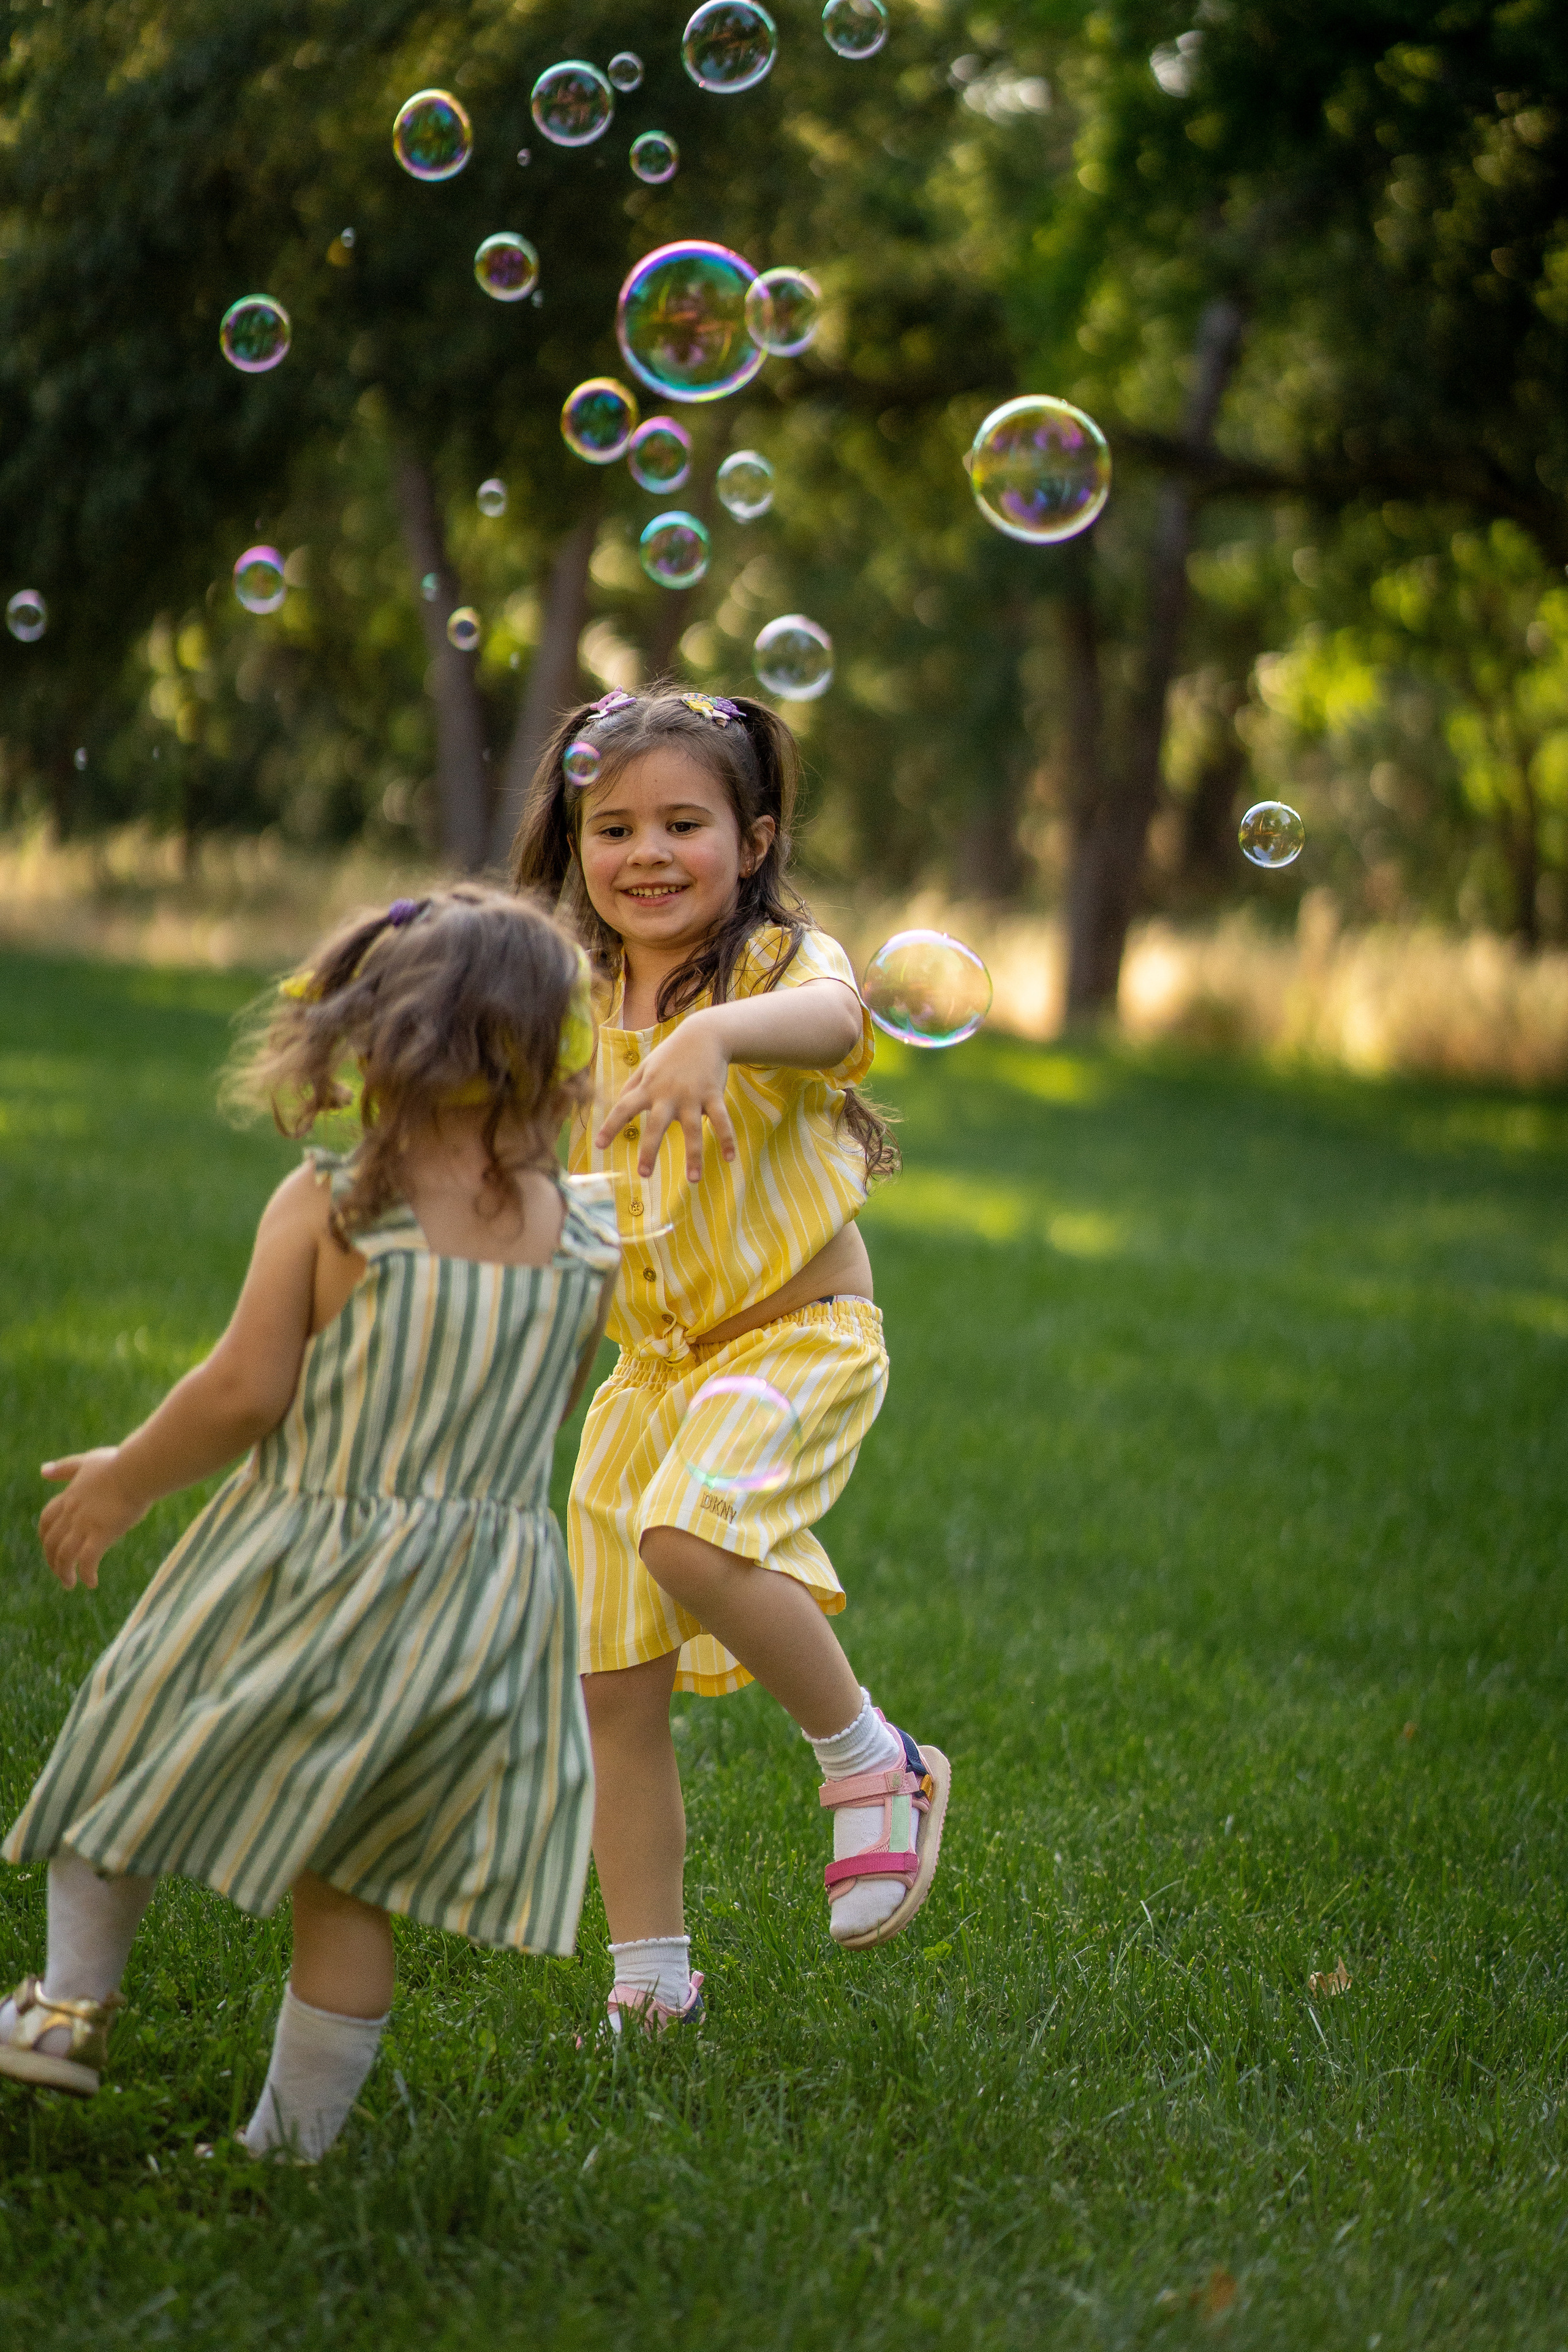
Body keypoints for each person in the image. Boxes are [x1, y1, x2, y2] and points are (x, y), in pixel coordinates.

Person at [0, 886, 619, 2155]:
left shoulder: (335, 1207)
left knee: (126, 1754)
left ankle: (65, 2007)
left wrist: (125, 1478)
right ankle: (287, 2150)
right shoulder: (585, 1237)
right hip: (478, 1603)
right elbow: (551, 1399)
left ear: (378, 1038)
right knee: (346, 1878)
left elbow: (241, 1392)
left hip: (302, 1557)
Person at [512, 685, 951, 2035]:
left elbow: (843, 1026)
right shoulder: (568, 1001)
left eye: (683, 823)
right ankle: (650, 1981)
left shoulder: (775, 974)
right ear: (574, 841)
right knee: (608, 1685)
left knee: (686, 1538)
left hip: (796, 1341)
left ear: (752, 840)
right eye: (613, 826)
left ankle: (875, 1763)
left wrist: (711, 1030)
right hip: (649, 1379)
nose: (645, 853)